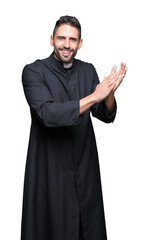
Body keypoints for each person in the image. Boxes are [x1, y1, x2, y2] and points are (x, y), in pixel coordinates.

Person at [21, 16, 127, 240]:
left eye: (72, 39)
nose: (66, 45)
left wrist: (108, 95)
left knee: (86, 228)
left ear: (80, 43)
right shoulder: (33, 71)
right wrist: (93, 96)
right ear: (51, 40)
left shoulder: (88, 71)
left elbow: (104, 114)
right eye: (61, 38)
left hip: (84, 171)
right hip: (51, 173)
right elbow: (47, 113)